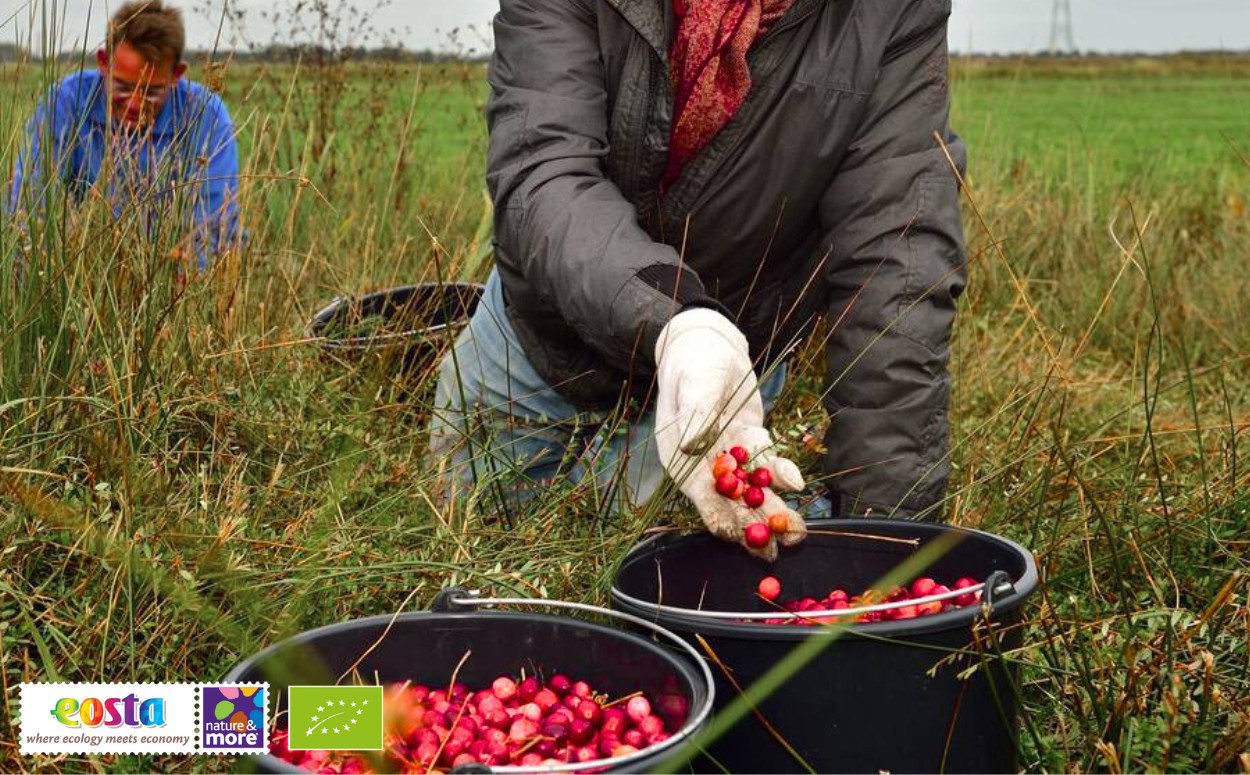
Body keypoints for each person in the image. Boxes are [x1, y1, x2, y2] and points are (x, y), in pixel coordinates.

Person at [429, 0, 968, 561]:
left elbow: (896, 259)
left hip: (722, 384)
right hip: (533, 350)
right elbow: (544, 169)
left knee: (637, 602)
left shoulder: (894, 12)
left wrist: (886, 553)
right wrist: (677, 321)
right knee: (470, 565)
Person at [8, 1, 240, 270]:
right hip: (86, 261)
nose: (134, 104)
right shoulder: (64, 102)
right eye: (122, 86)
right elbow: (28, 208)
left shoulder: (207, 116)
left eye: (152, 91)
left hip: (173, 269)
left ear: (176, 75)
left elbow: (212, 227)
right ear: (103, 64)